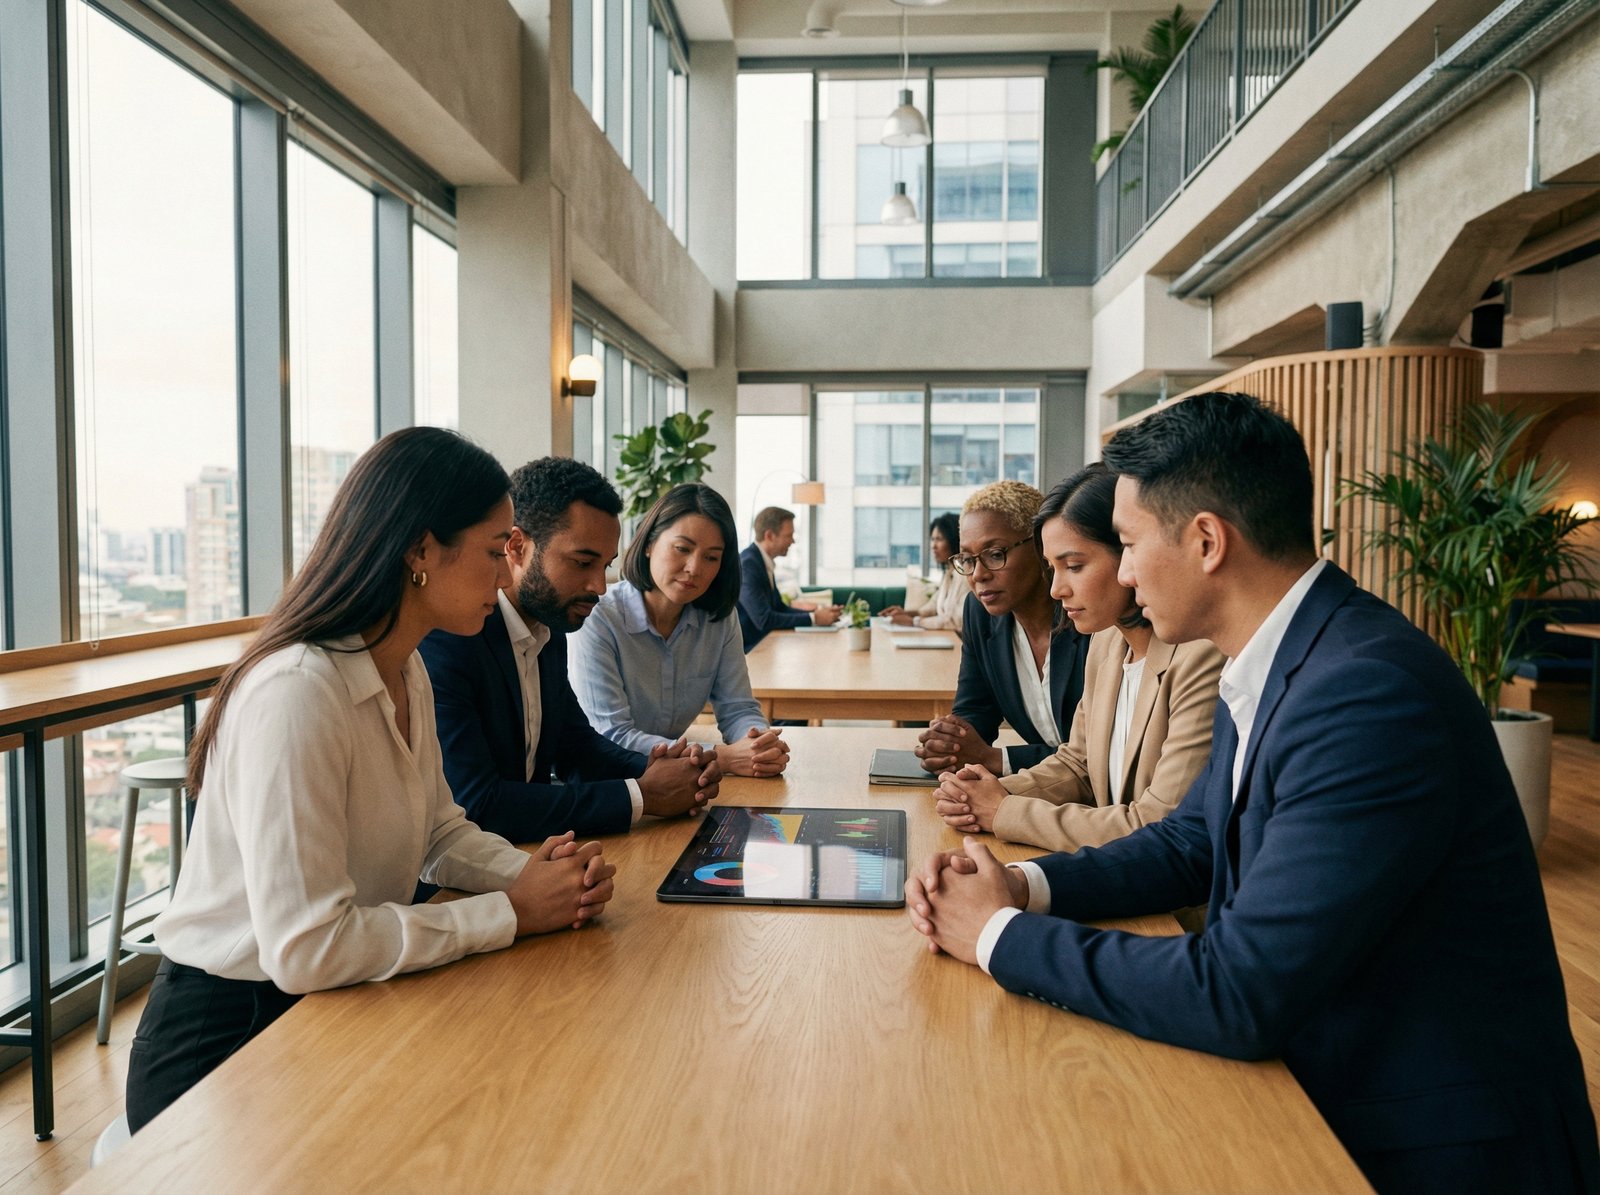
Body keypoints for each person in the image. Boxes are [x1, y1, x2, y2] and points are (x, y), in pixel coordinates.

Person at [904, 392, 1600, 1195]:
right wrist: (1021, 885)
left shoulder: (1363, 691)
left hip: (1428, 1143)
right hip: (1328, 1078)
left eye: (1127, 544)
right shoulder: (1280, 651)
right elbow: (1192, 839)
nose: (1121, 572)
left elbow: (1241, 988)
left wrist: (994, 935)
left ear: (1206, 541)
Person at [126, 428, 617, 1132]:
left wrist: (532, 875)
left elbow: (439, 829)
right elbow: (307, 947)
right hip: (226, 1043)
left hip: (334, 1000)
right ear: (421, 550)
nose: (507, 577)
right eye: (490, 552)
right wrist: (510, 911)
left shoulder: (405, 665)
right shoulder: (298, 691)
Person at [419, 457, 720, 845]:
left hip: (528, 858)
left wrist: (669, 769)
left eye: (606, 565)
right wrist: (643, 795)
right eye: (582, 563)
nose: (598, 585)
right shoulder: (452, 639)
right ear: (517, 547)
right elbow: (477, 804)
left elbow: (576, 748)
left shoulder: (550, 626)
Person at [934, 464, 1223, 859]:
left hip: (1171, 905)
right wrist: (983, 792)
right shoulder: (1106, 642)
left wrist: (1005, 809)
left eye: (1074, 566)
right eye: (1052, 568)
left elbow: (1156, 824)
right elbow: (1078, 764)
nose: (1056, 588)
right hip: (1111, 868)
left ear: (1128, 555)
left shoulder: (1200, 657)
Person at [570, 484, 790, 778]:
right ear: (648, 544)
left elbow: (737, 707)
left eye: (711, 557)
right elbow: (612, 736)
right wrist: (719, 758)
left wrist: (758, 743)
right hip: (604, 782)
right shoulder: (600, 618)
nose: (694, 568)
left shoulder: (719, 619)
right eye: (682, 549)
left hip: (676, 781)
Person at [914, 481, 1088, 775]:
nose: (978, 575)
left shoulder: (1087, 614)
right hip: (1038, 794)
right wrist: (951, 744)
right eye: (967, 559)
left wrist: (997, 760)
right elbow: (976, 709)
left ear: (1039, 546)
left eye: (995, 554)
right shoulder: (979, 613)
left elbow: (1099, 754)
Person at [737, 505, 840, 651]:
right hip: (751, 652)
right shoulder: (748, 565)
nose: (793, 541)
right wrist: (814, 618)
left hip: (766, 646)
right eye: (788, 535)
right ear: (770, 536)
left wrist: (818, 614)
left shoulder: (760, 561)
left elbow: (780, 608)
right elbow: (764, 620)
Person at [879, 513, 965, 635]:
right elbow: (933, 606)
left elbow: (954, 621)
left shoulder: (964, 575)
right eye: (932, 539)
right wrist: (906, 613)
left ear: (954, 540)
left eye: (939, 539)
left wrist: (913, 621)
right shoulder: (949, 573)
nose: (933, 546)